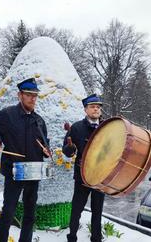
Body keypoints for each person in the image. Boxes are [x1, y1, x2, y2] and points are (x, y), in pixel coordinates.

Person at [0, 78, 49, 242]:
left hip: (33, 172)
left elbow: (45, 143)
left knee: (30, 213)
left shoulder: (39, 120)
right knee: (8, 212)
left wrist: (46, 151)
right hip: (14, 171)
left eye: (35, 95)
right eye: (29, 95)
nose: (33, 98)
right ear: (20, 95)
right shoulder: (8, 114)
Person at [62, 94, 105, 242]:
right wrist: (70, 148)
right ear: (85, 109)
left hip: (101, 175)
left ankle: (96, 238)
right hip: (82, 176)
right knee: (77, 209)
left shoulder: (107, 127)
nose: (96, 109)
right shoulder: (76, 128)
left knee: (97, 210)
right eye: (93, 106)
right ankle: (72, 236)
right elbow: (67, 151)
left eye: (98, 107)